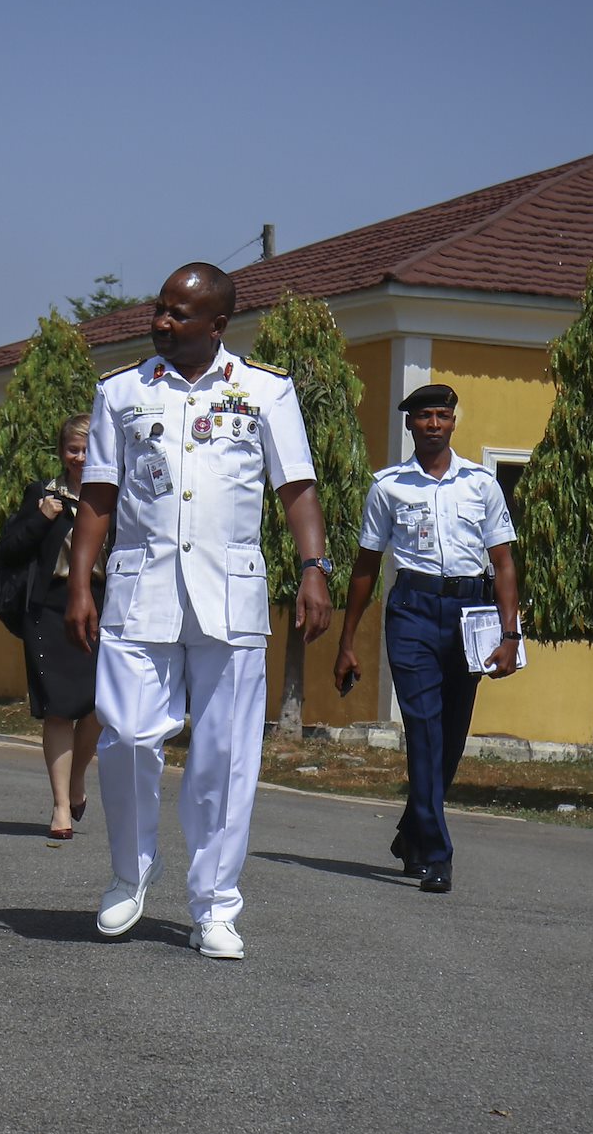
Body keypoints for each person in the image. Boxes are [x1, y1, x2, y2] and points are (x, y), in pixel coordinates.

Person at [65, 262, 334, 961]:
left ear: (218, 325)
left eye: (180, 314)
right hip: (138, 593)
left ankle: (215, 905)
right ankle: (129, 875)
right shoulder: (120, 392)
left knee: (225, 756)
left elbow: (297, 488)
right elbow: (98, 494)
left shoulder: (265, 390)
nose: (162, 322)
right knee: (124, 736)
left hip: (230, 596)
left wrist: (314, 569)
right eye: (160, 309)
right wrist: (79, 582)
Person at [332, 383, 522, 894]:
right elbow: (366, 567)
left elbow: (503, 562)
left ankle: (412, 830)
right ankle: (437, 854)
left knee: (453, 735)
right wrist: (347, 641)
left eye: (442, 415)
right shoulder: (388, 487)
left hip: (470, 612)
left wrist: (510, 632)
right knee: (423, 728)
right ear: (410, 424)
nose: (434, 424)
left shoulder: (481, 484)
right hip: (412, 611)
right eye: (424, 416)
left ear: (454, 422)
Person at [0, 413, 102, 843]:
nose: (79, 457)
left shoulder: (115, 495)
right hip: (50, 609)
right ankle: (60, 805)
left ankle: (76, 781)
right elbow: (9, 549)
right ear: (62, 453)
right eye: (73, 449)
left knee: (100, 706)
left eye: (87, 448)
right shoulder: (43, 494)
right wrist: (41, 517)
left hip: (102, 606)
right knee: (58, 708)